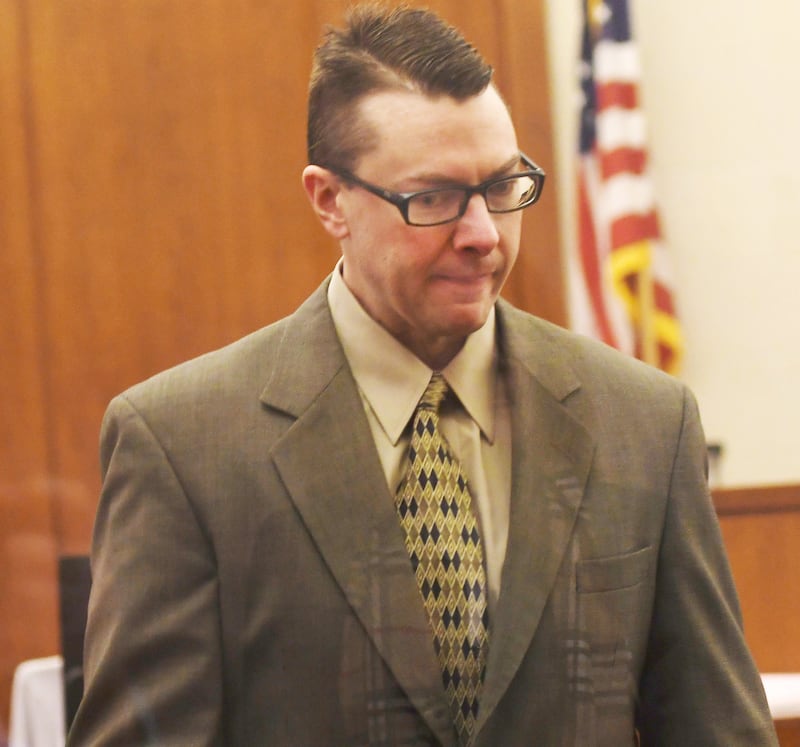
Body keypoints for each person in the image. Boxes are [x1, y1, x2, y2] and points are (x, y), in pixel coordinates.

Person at [68, 4, 777, 746]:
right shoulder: (184, 447)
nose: (482, 234)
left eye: (503, 187)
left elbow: (716, 727)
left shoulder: (644, 423)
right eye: (433, 198)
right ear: (329, 199)